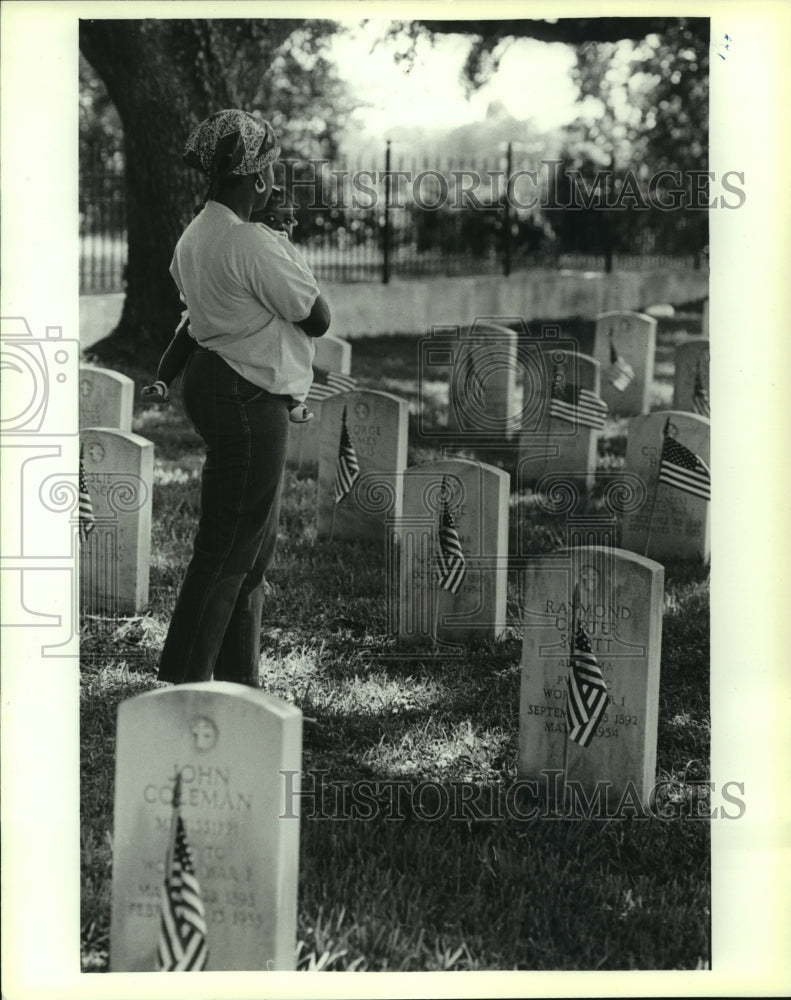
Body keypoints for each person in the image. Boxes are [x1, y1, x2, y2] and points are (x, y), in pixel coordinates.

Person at [157, 109, 330, 687]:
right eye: (271, 174)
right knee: (230, 546)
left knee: (252, 548)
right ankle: (184, 682)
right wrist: (284, 247)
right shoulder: (253, 242)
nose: (275, 185)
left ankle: (239, 682)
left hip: (214, 380)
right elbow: (317, 317)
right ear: (255, 179)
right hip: (247, 394)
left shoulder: (194, 235)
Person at [142, 190, 313, 422]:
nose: (281, 227)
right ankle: (162, 381)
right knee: (185, 334)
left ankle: (294, 401)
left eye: (288, 220)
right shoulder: (252, 246)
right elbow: (315, 314)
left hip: (258, 336)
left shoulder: (282, 252)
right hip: (235, 335)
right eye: (271, 219)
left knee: (290, 347)